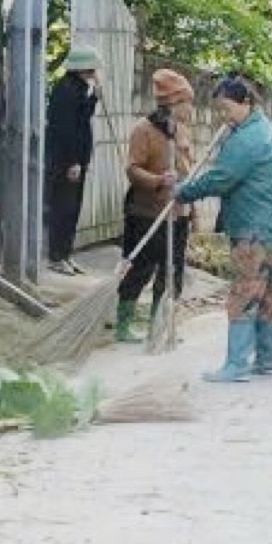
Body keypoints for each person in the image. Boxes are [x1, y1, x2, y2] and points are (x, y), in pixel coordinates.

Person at [174, 77, 272, 383]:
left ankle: (236, 365)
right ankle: (266, 360)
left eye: (226, 109)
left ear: (246, 103)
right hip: (271, 225)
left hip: (254, 228)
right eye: (219, 110)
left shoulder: (249, 139)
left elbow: (221, 178)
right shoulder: (262, 130)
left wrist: (183, 191)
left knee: (244, 293)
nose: (223, 116)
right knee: (264, 295)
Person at [116, 69, 197, 342]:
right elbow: (132, 169)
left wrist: (192, 209)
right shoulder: (144, 130)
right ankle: (123, 327)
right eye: (186, 102)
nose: (190, 109)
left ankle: (159, 327)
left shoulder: (183, 131)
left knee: (172, 273)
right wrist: (159, 180)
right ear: (172, 104)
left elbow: (189, 170)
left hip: (178, 214)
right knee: (139, 270)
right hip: (147, 213)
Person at [43, 46, 102, 275]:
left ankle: (66, 254)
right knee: (63, 208)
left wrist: (94, 98)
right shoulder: (65, 90)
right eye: (91, 69)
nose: (94, 72)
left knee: (73, 209)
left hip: (76, 160)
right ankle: (56, 256)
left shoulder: (78, 89)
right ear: (82, 68)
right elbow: (66, 130)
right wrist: (73, 161)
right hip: (67, 161)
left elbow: (82, 118)